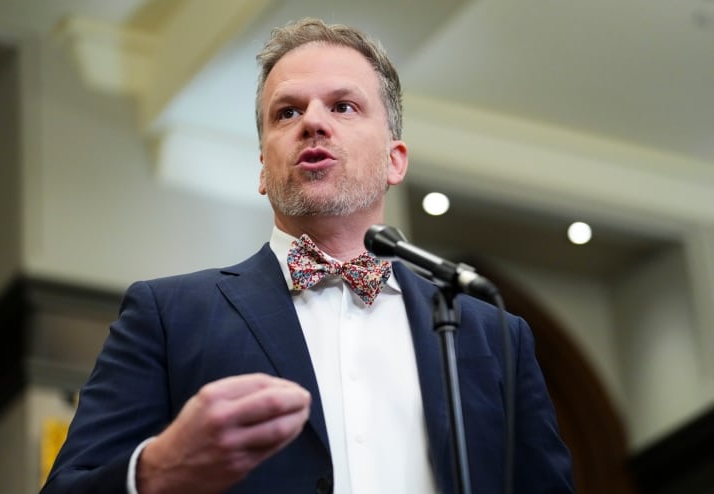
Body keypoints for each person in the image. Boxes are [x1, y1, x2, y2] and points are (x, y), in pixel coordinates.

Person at [40, 17, 574, 494]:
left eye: (343, 106)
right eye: (287, 112)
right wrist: (156, 473)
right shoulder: (168, 314)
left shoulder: (493, 335)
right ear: (262, 169)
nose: (312, 123)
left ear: (395, 160)